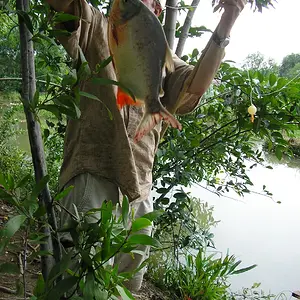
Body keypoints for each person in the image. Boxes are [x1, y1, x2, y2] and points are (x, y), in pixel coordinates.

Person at [46, 0, 246, 292]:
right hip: (92, 175)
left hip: (140, 191)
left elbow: (195, 87)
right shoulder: (99, 25)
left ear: (158, 11)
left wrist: (227, 21)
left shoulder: (162, 57)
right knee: (78, 287)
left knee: (124, 289)